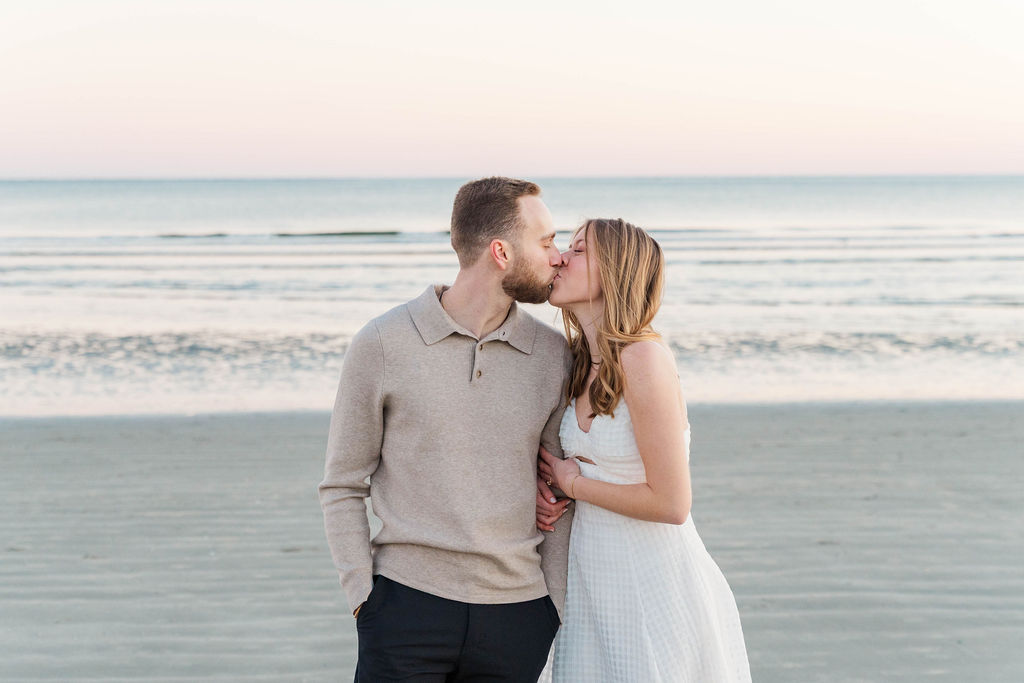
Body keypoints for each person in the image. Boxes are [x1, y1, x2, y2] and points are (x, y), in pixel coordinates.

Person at [318, 176, 575, 682]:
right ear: (501, 252)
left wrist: (555, 606)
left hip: (518, 613)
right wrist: (362, 600)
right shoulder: (383, 343)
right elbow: (343, 483)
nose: (559, 256)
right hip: (403, 608)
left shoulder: (553, 357)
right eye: (545, 242)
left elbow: (557, 493)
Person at [537, 218, 752, 682]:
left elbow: (672, 503)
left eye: (578, 250)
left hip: (655, 581)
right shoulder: (577, 363)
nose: (560, 257)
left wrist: (574, 483)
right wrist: (549, 487)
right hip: (592, 582)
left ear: (615, 270)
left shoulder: (644, 358)